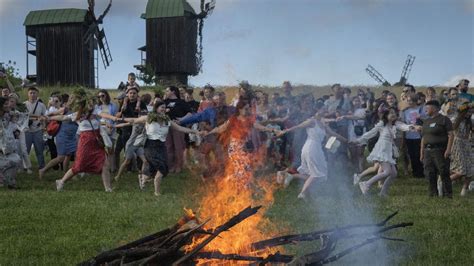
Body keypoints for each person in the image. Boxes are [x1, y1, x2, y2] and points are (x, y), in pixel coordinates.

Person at [120, 100, 201, 196]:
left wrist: (195, 132)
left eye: (164, 107)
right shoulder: (149, 118)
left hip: (162, 146)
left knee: (157, 168)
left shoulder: (167, 120)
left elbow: (180, 128)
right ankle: (157, 192)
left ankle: (143, 178)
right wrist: (119, 119)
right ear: (156, 108)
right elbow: (134, 120)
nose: (163, 109)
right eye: (161, 107)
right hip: (150, 145)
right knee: (162, 168)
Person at [49, 89, 116, 192]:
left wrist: (113, 118)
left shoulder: (95, 110)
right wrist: (48, 117)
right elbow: (63, 117)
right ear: (84, 103)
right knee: (79, 166)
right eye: (90, 102)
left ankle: (108, 188)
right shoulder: (78, 114)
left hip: (96, 141)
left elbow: (102, 115)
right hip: (85, 142)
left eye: (92, 102)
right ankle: (61, 181)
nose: (92, 104)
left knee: (104, 164)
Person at [205, 99, 282, 187]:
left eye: (248, 108)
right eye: (246, 109)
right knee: (242, 168)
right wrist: (209, 132)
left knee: (246, 167)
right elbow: (221, 128)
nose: (248, 110)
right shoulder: (233, 119)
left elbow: (259, 126)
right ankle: (239, 186)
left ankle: (234, 183)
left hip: (243, 146)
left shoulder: (249, 119)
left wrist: (272, 130)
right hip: (234, 148)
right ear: (240, 109)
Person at [276, 108, 348, 199]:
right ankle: (302, 193)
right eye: (321, 110)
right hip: (311, 148)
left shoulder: (323, 124)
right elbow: (298, 126)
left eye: (324, 111)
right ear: (316, 111)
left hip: (316, 149)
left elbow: (333, 134)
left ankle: (292, 176)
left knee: (315, 174)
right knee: (316, 173)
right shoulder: (311, 121)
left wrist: (346, 141)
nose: (324, 112)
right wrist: (284, 131)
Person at [353, 105, 420, 197]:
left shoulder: (395, 124)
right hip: (382, 150)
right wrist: (358, 140)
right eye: (391, 113)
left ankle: (383, 192)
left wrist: (413, 127)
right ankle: (366, 184)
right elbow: (370, 133)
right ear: (386, 115)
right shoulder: (381, 124)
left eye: (394, 113)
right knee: (387, 172)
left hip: (388, 151)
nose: (393, 114)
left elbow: (404, 126)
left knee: (394, 174)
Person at [420, 100, 454, 198]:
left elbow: (451, 135)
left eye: (427, 108)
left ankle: (448, 194)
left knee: (443, 172)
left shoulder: (444, 119)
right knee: (429, 173)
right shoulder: (426, 121)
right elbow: (423, 138)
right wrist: (421, 152)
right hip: (427, 151)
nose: (425, 110)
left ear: (435, 109)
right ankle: (433, 194)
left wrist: (448, 149)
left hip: (440, 150)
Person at [39, 97, 78, 180]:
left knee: (69, 155)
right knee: (60, 158)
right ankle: (43, 170)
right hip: (63, 135)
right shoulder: (66, 109)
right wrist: (46, 118)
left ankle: (66, 174)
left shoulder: (79, 110)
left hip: (72, 136)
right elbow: (54, 114)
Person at [164, 86, 191, 173]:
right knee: (168, 146)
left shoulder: (181, 102)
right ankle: (170, 166)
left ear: (173, 92)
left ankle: (178, 166)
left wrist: (181, 120)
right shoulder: (164, 102)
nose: (166, 92)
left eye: (167, 90)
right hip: (166, 126)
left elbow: (190, 113)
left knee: (178, 146)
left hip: (178, 126)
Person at [449, 103, 473, 196]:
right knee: (461, 169)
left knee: (470, 169)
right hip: (457, 144)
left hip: (466, 144)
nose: (470, 112)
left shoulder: (469, 121)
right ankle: (445, 181)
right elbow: (460, 109)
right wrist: (468, 105)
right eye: (469, 111)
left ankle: (464, 190)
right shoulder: (456, 119)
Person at [0, 97, 22, 189]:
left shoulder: (8, 115)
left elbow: (16, 121)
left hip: (7, 144)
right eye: (5, 104)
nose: (8, 105)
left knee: (15, 160)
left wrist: (16, 131)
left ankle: (10, 183)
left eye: (8, 103)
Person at [401, 94, 425, 178]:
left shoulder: (420, 109)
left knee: (419, 154)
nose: (409, 102)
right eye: (408, 101)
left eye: (410, 100)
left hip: (419, 136)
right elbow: (403, 124)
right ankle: (415, 172)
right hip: (409, 136)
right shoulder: (405, 111)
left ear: (415, 101)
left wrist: (420, 117)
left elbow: (425, 119)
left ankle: (421, 172)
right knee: (411, 155)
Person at [24, 87, 47, 169]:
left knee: (39, 149)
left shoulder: (41, 105)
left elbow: (45, 116)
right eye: (31, 93)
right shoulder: (24, 104)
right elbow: (22, 117)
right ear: (28, 94)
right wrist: (37, 117)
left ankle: (42, 166)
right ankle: (25, 166)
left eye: (34, 93)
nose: (33, 94)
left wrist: (44, 125)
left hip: (38, 130)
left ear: (37, 94)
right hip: (27, 130)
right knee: (26, 150)